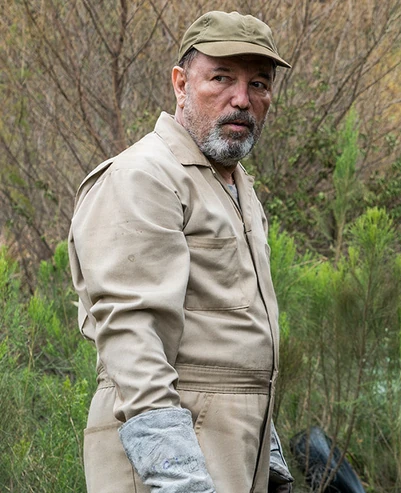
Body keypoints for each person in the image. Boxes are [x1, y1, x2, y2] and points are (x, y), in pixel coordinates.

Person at [68, 11, 294, 493]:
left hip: (229, 455)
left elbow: (232, 351)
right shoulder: (144, 176)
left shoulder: (235, 186)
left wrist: (268, 455)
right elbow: (133, 341)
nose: (242, 99)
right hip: (167, 465)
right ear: (180, 84)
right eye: (221, 78)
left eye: (258, 84)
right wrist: (180, 479)